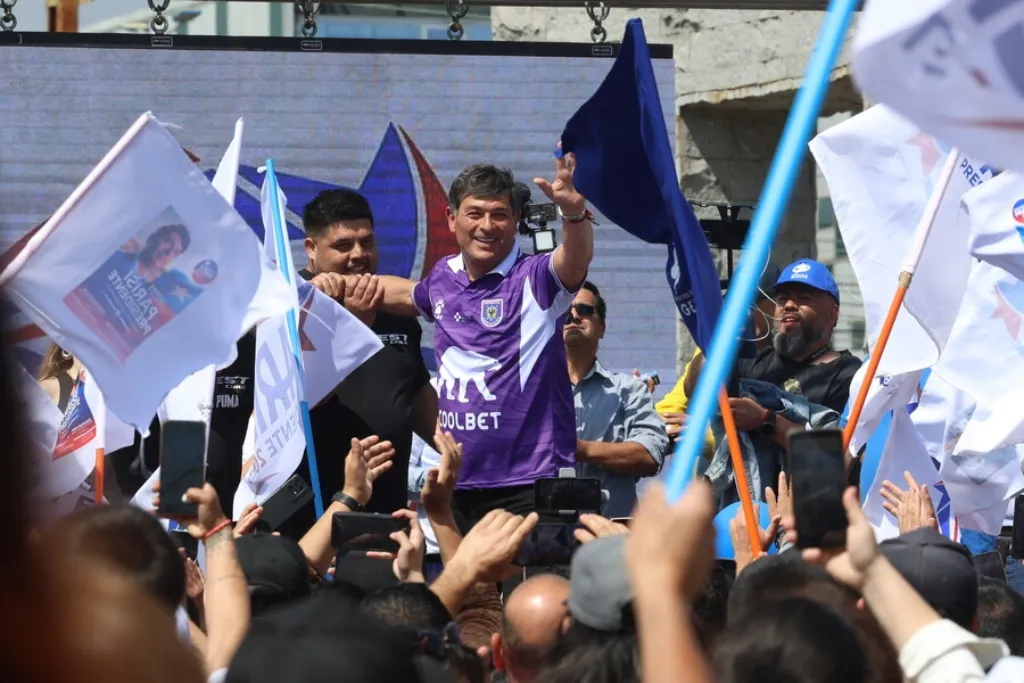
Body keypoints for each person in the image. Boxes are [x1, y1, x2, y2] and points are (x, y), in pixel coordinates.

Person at [362, 156, 594, 523]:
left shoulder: (536, 277)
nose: (487, 226)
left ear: (516, 221)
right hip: (460, 481)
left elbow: (575, 260)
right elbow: (405, 294)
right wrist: (330, 287)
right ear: (451, 219)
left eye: (499, 214)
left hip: (533, 481)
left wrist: (574, 215)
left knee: (537, 567)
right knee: (464, 566)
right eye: (475, 213)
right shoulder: (444, 276)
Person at [295, 188, 436, 527]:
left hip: (387, 512)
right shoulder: (291, 307)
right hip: (310, 514)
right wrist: (353, 325)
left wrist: (462, 452)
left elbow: (416, 394)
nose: (359, 254)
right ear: (311, 249)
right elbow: (304, 399)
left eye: (367, 242)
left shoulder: (395, 312)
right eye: (343, 245)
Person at [564, 281, 668, 517]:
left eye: (584, 310)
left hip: (611, 531)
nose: (574, 316)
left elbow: (650, 455)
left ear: (602, 327)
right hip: (545, 532)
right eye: (565, 311)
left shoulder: (630, 390)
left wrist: (582, 449)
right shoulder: (529, 392)